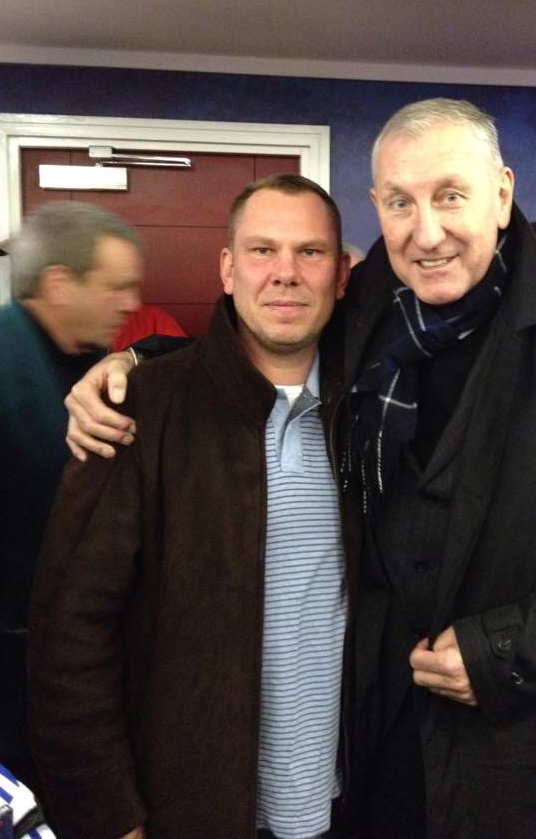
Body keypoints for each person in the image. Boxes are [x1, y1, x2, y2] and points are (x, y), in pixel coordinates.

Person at [61, 100, 536, 839]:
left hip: (528, 755)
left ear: (502, 194)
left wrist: (510, 650)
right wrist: (136, 363)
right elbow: (265, 336)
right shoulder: (370, 307)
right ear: (377, 206)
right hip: (370, 751)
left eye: (450, 196)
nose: (425, 232)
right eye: (401, 202)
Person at [27, 175, 355, 839]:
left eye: (310, 252)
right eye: (262, 250)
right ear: (228, 270)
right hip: (187, 807)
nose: (285, 273)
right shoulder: (139, 410)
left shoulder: (370, 415)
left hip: (340, 801)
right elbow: (69, 633)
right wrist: (110, 815)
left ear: (342, 274)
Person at [0, 201, 143, 797]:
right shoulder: (0, 364)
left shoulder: (89, 363)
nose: (131, 303)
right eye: (116, 287)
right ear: (59, 283)